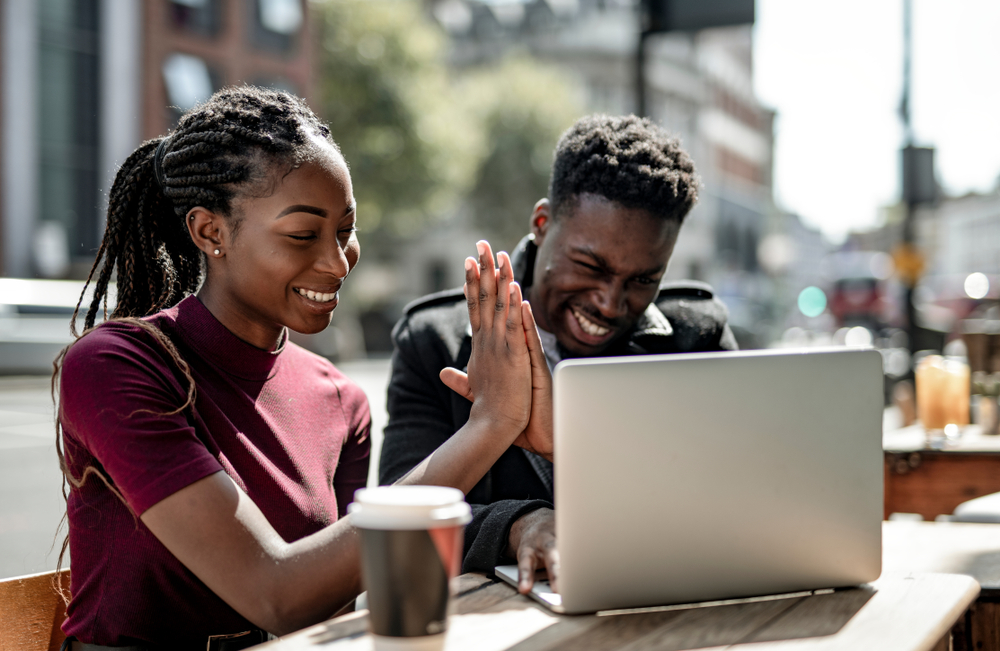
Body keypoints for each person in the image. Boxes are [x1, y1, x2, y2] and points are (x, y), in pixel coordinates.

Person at [54, 86, 549, 651]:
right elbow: (278, 595)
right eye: (303, 235)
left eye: (345, 230)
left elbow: (324, 614)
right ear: (210, 232)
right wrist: (489, 426)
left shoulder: (341, 399)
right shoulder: (117, 365)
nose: (338, 263)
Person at [380, 114, 737, 594]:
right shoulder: (434, 342)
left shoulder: (697, 337)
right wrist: (517, 525)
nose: (610, 303)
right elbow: (400, 514)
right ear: (543, 223)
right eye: (590, 265)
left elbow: (733, 497)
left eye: (642, 280)